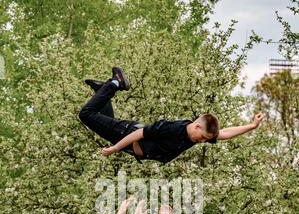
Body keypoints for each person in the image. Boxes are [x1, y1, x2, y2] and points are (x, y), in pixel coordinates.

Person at [78, 67, 265, 165]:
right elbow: (140, 133)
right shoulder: (174, 128)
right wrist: (115, 149)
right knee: (86, 114)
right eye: (203, 137)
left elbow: (224, 133)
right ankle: (113, 83)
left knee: (100, 117)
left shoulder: (194, 137)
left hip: (127, 141)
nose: (202, 141)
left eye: (206, 140)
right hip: (125, 134)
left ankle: (101, 90)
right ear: (197, 126)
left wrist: (251, 126)